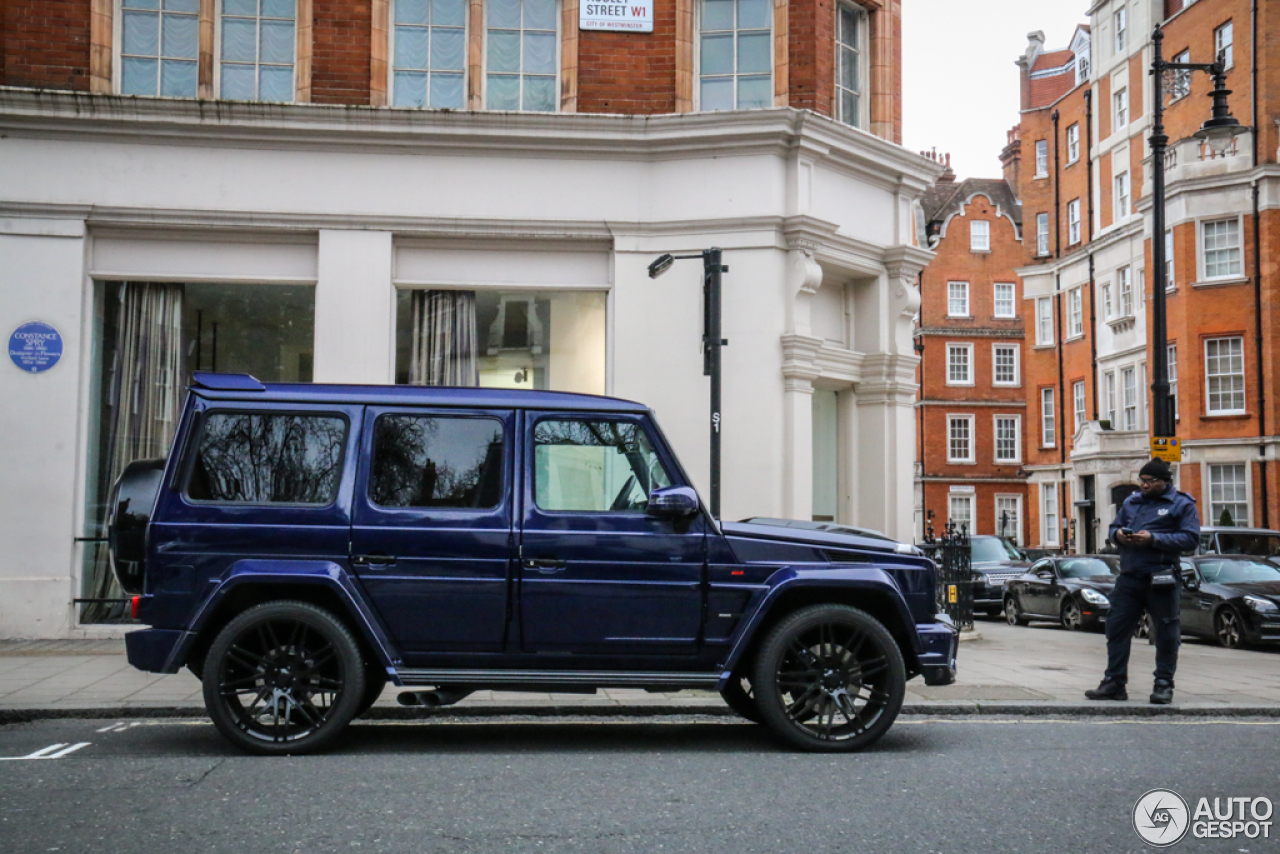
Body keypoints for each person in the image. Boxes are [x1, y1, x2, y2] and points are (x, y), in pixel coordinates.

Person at [1085, 458, 1200, 705]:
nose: (1145, 486)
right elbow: (1114, 528)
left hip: (1161, 576)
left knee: (1166, 633)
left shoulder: (1182, 504)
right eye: (1143, 481)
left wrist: (1154, 539)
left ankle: (1163, 685)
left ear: (1165, 481)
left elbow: (1190, 539)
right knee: (1116, 629)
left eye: (1151, 481)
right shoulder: (1131, 501)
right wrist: (1118, 535)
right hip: (1130, 576)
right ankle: (1114, 683)